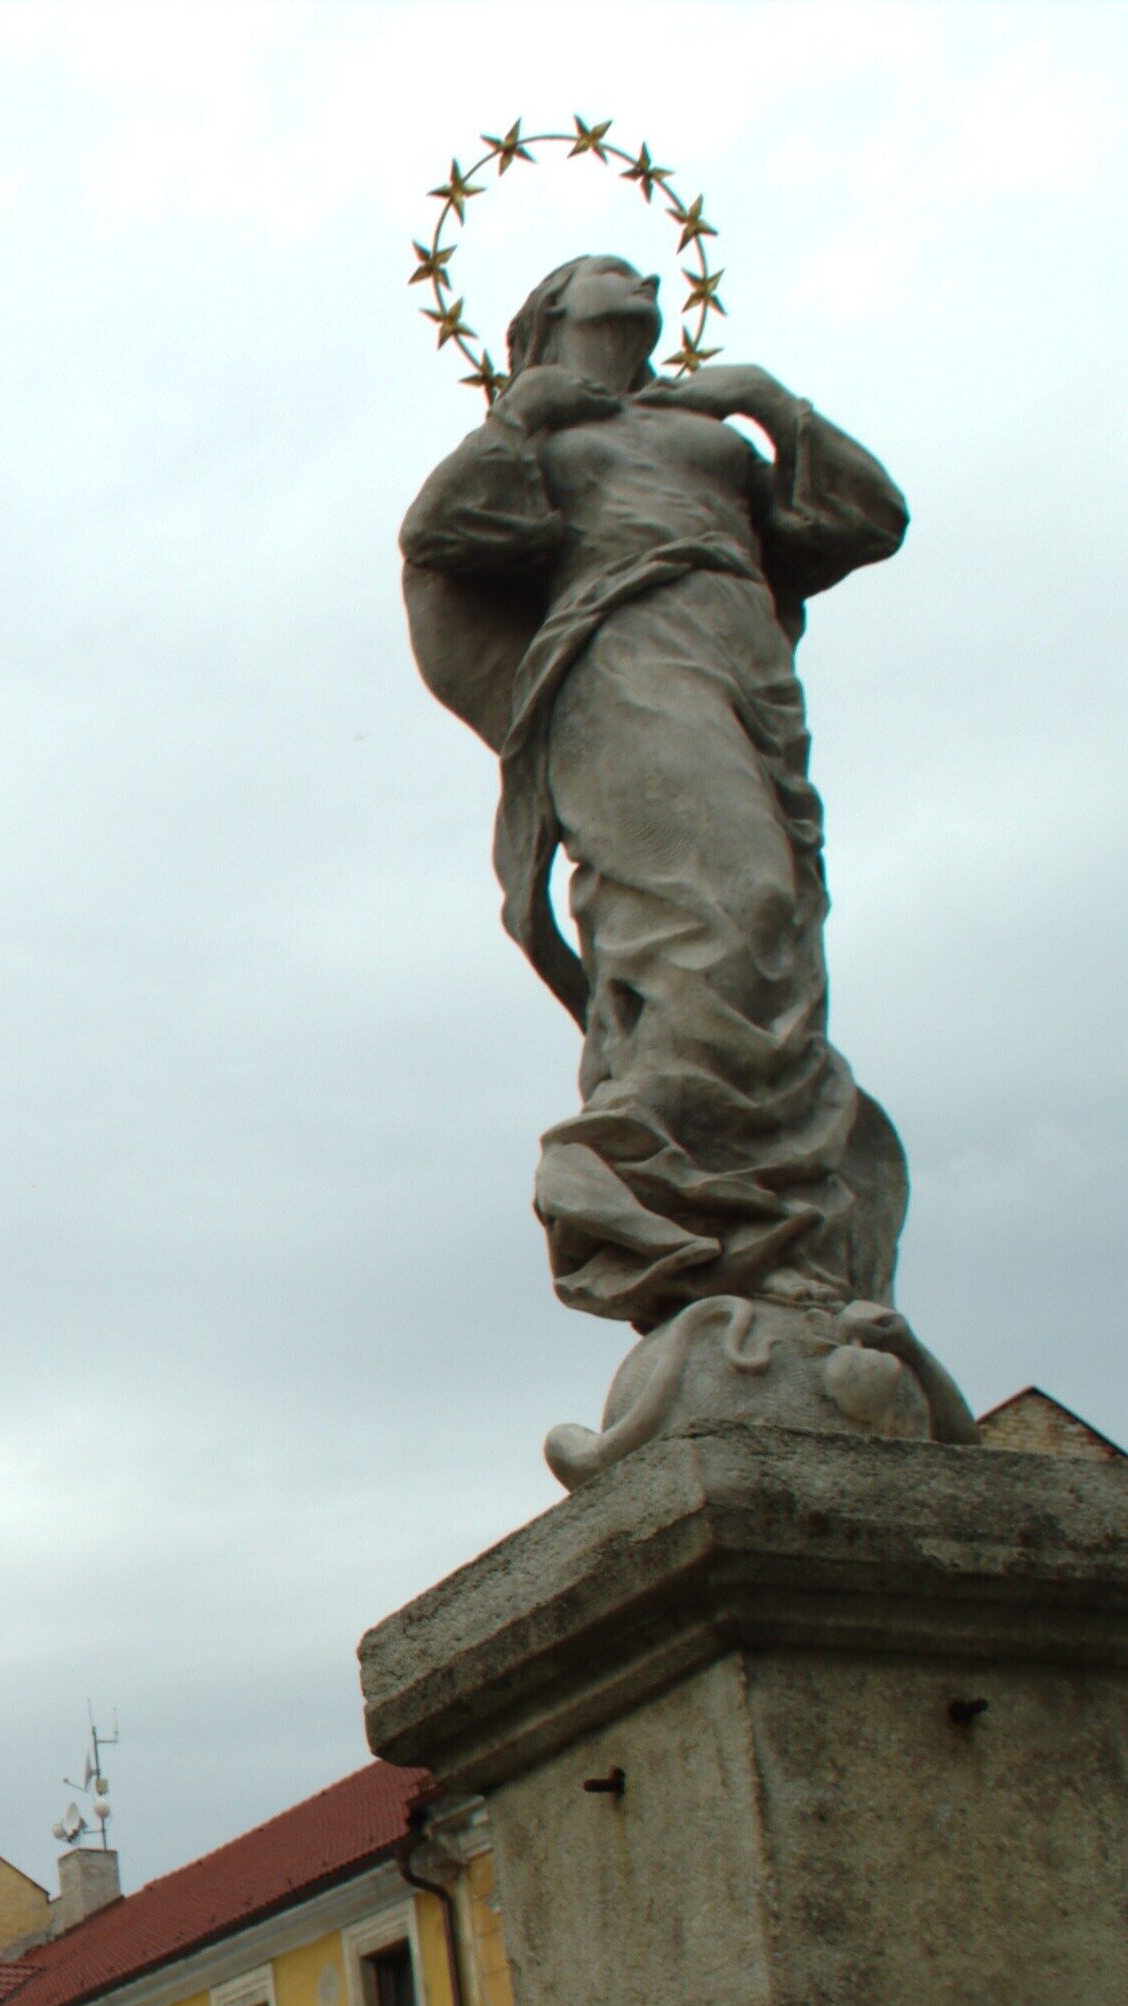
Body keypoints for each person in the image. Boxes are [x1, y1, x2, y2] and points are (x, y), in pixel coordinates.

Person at [400, 254, 914, 1339]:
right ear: (548, 314)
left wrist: (773, 403)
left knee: (774, 929)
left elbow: (869, 519)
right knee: (722, 908)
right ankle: (621, 1171)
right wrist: (519, 419)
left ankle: (769, 1237)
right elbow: (440, 533)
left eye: (637, 264)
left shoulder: (712, 433)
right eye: (599, 268)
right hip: (623, 663)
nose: (633, 271)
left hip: (747, 672)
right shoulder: (547, 428)